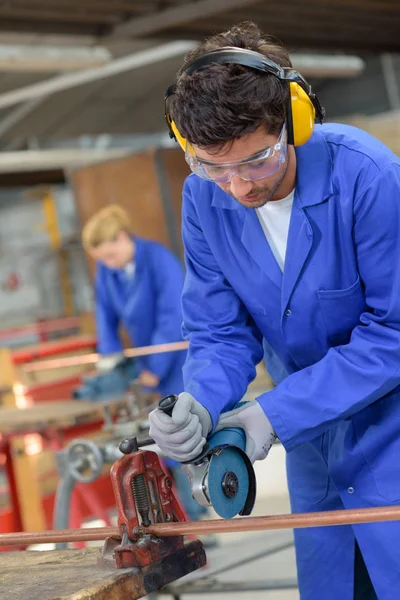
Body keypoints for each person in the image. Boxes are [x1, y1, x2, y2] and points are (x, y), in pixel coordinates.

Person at [149, 21, 400, 600]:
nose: (237, 186)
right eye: (212, 165)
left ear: (295, 120)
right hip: (314, 451)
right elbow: (219, 330)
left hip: (391, 438)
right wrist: (202, 403)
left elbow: (391, 335)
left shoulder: (368, 177)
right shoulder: (203, 198)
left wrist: (272, 414)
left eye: (257, 160)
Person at [82, 204, 206, 521]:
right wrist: (109, 363)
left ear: (124, 238)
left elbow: (171, 317)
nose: (107, 264)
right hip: (146, 362)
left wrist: (154, 368)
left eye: (110, 256)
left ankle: (196, 514)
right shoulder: (107, 272)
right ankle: (171, 515)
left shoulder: (160, 260)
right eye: (101, 260)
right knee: (155, 438)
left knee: (181, 433)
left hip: (175, 357)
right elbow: (105, 318)